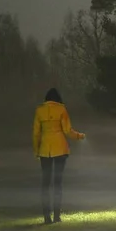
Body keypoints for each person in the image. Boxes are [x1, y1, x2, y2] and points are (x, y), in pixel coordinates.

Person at [33, 88, 85, 224]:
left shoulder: (39, 111)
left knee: (45, 183)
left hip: (45, 150)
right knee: (57, 183)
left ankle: (46, 216)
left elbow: (36, 134)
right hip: (60, 149)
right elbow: (67, 130)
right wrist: (79, 136)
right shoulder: (61, 110)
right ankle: (57, 215)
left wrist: (36, 150)